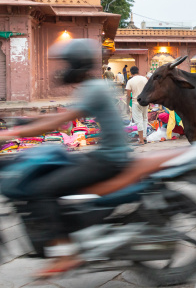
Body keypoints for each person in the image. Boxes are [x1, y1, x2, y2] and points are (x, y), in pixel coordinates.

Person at [0, 40, 132, 276]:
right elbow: (64, 116)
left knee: (42, 188)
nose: (62, 70)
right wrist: (26, 121)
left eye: (66, 64)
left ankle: (65, 253)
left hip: (109, 160)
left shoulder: (94, 88)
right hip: (106, 155)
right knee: (57, 170)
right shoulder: (93, 87)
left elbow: (59, 122)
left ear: (77, 65)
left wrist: (13, 133)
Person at [125, 66, 148, 145]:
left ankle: (141, 140)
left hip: (136, 102)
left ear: (131, 73)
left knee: (139, 121)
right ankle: (144, 137)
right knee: (145, 119)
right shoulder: (145, 79)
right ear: (138, 71)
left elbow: (128, 96)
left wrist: (127, 106)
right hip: (145, 102)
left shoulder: (130, 81)